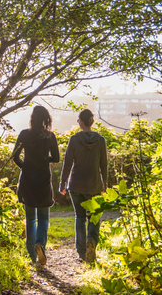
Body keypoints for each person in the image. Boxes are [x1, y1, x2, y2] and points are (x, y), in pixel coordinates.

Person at [12, 106, 59, 266]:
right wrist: (45, 159)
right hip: (43, 180)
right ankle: (40, 243)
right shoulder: (50, 136)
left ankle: (32, 255)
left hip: (27, 180)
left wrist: (25, 166)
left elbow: (15, 156)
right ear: (46, 119)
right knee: (44, 217)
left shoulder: (24, 134)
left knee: (30, 218)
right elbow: (57, 158)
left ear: (32, 118)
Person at [59, 109, 108, 263]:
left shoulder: (74, 139)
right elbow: (104, 165)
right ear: (92, 122)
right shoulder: (100, 140)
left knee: (80, 218)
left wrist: (62, 182)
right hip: (94, 185)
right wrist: (104, 185)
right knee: (93, 217)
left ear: (80, 121)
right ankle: (91, 242)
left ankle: (81, 253)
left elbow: (67, 163)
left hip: (76, 184)